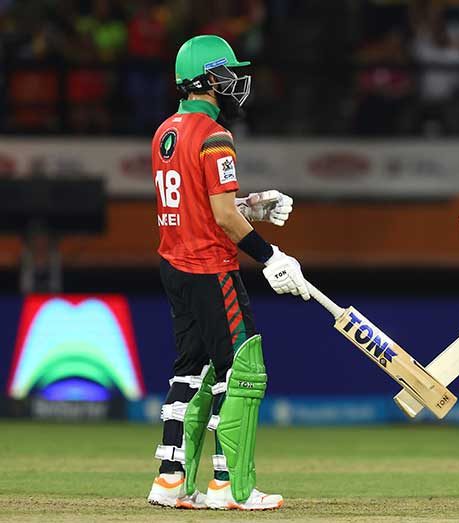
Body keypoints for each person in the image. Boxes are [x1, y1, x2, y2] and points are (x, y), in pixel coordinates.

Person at [146, 34, 309, 511]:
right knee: (243, 370)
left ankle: (171, 479)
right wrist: (271, 254)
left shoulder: (165, 131)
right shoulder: (216, 136)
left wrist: (253, 204)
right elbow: (219, 216)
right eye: (228, 74)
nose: (235, 84)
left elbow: (197, 206)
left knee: (190, 372)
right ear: (207, 79)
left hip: (174, 266)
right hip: (212, 268)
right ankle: (230, 487)